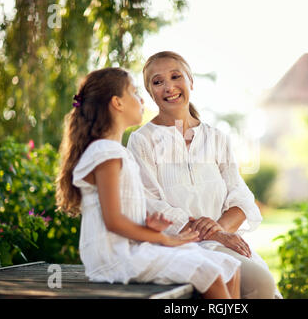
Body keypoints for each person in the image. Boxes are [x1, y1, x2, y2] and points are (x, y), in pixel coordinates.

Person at [55, 67, 241, 299]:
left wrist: (149, 226)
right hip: (113, 257)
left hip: (132, 248)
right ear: (117, 103)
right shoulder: (105, 153)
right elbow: (113, 222)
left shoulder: (117, 153)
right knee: (211, 273)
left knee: (229, 267)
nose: (141, 98)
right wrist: (164, 238)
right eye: (133, 92)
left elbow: (121, 213)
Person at [128, 51, 281, 299]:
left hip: (223, 243)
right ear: (150, 92)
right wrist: (215, 234)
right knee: (260, 285)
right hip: (177, 246)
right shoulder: (141, 140)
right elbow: (150, 204)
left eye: (175, 76)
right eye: (158, 82)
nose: (168, 87)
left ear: (190, 81)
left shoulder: (217, 138)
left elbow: (241, 198)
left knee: (264, 286)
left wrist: (219, 231)